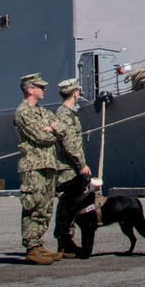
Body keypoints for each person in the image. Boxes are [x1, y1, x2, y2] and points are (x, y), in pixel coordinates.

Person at [14, 73, 60, 264]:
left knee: (45, 207)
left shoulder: (43, 112)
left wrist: (53, 129)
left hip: (48, 164)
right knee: (33, 205)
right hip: (33, 167)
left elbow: (60, 128)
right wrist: (52, 130)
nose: (44, 90)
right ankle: (32, 248)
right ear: (29, 89)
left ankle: (39, 245)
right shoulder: (23, 112)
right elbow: (42, 137)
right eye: (41, 87)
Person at [51, 77, 92, 256]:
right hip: (68, 167)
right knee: (68, 204)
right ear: (75, 93)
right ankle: (65, 241)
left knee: (71, 204)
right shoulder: (65, 115)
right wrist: (81, 164)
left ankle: (67, 241)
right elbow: (69, 143)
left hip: (70, 167)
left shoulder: (66, 114)